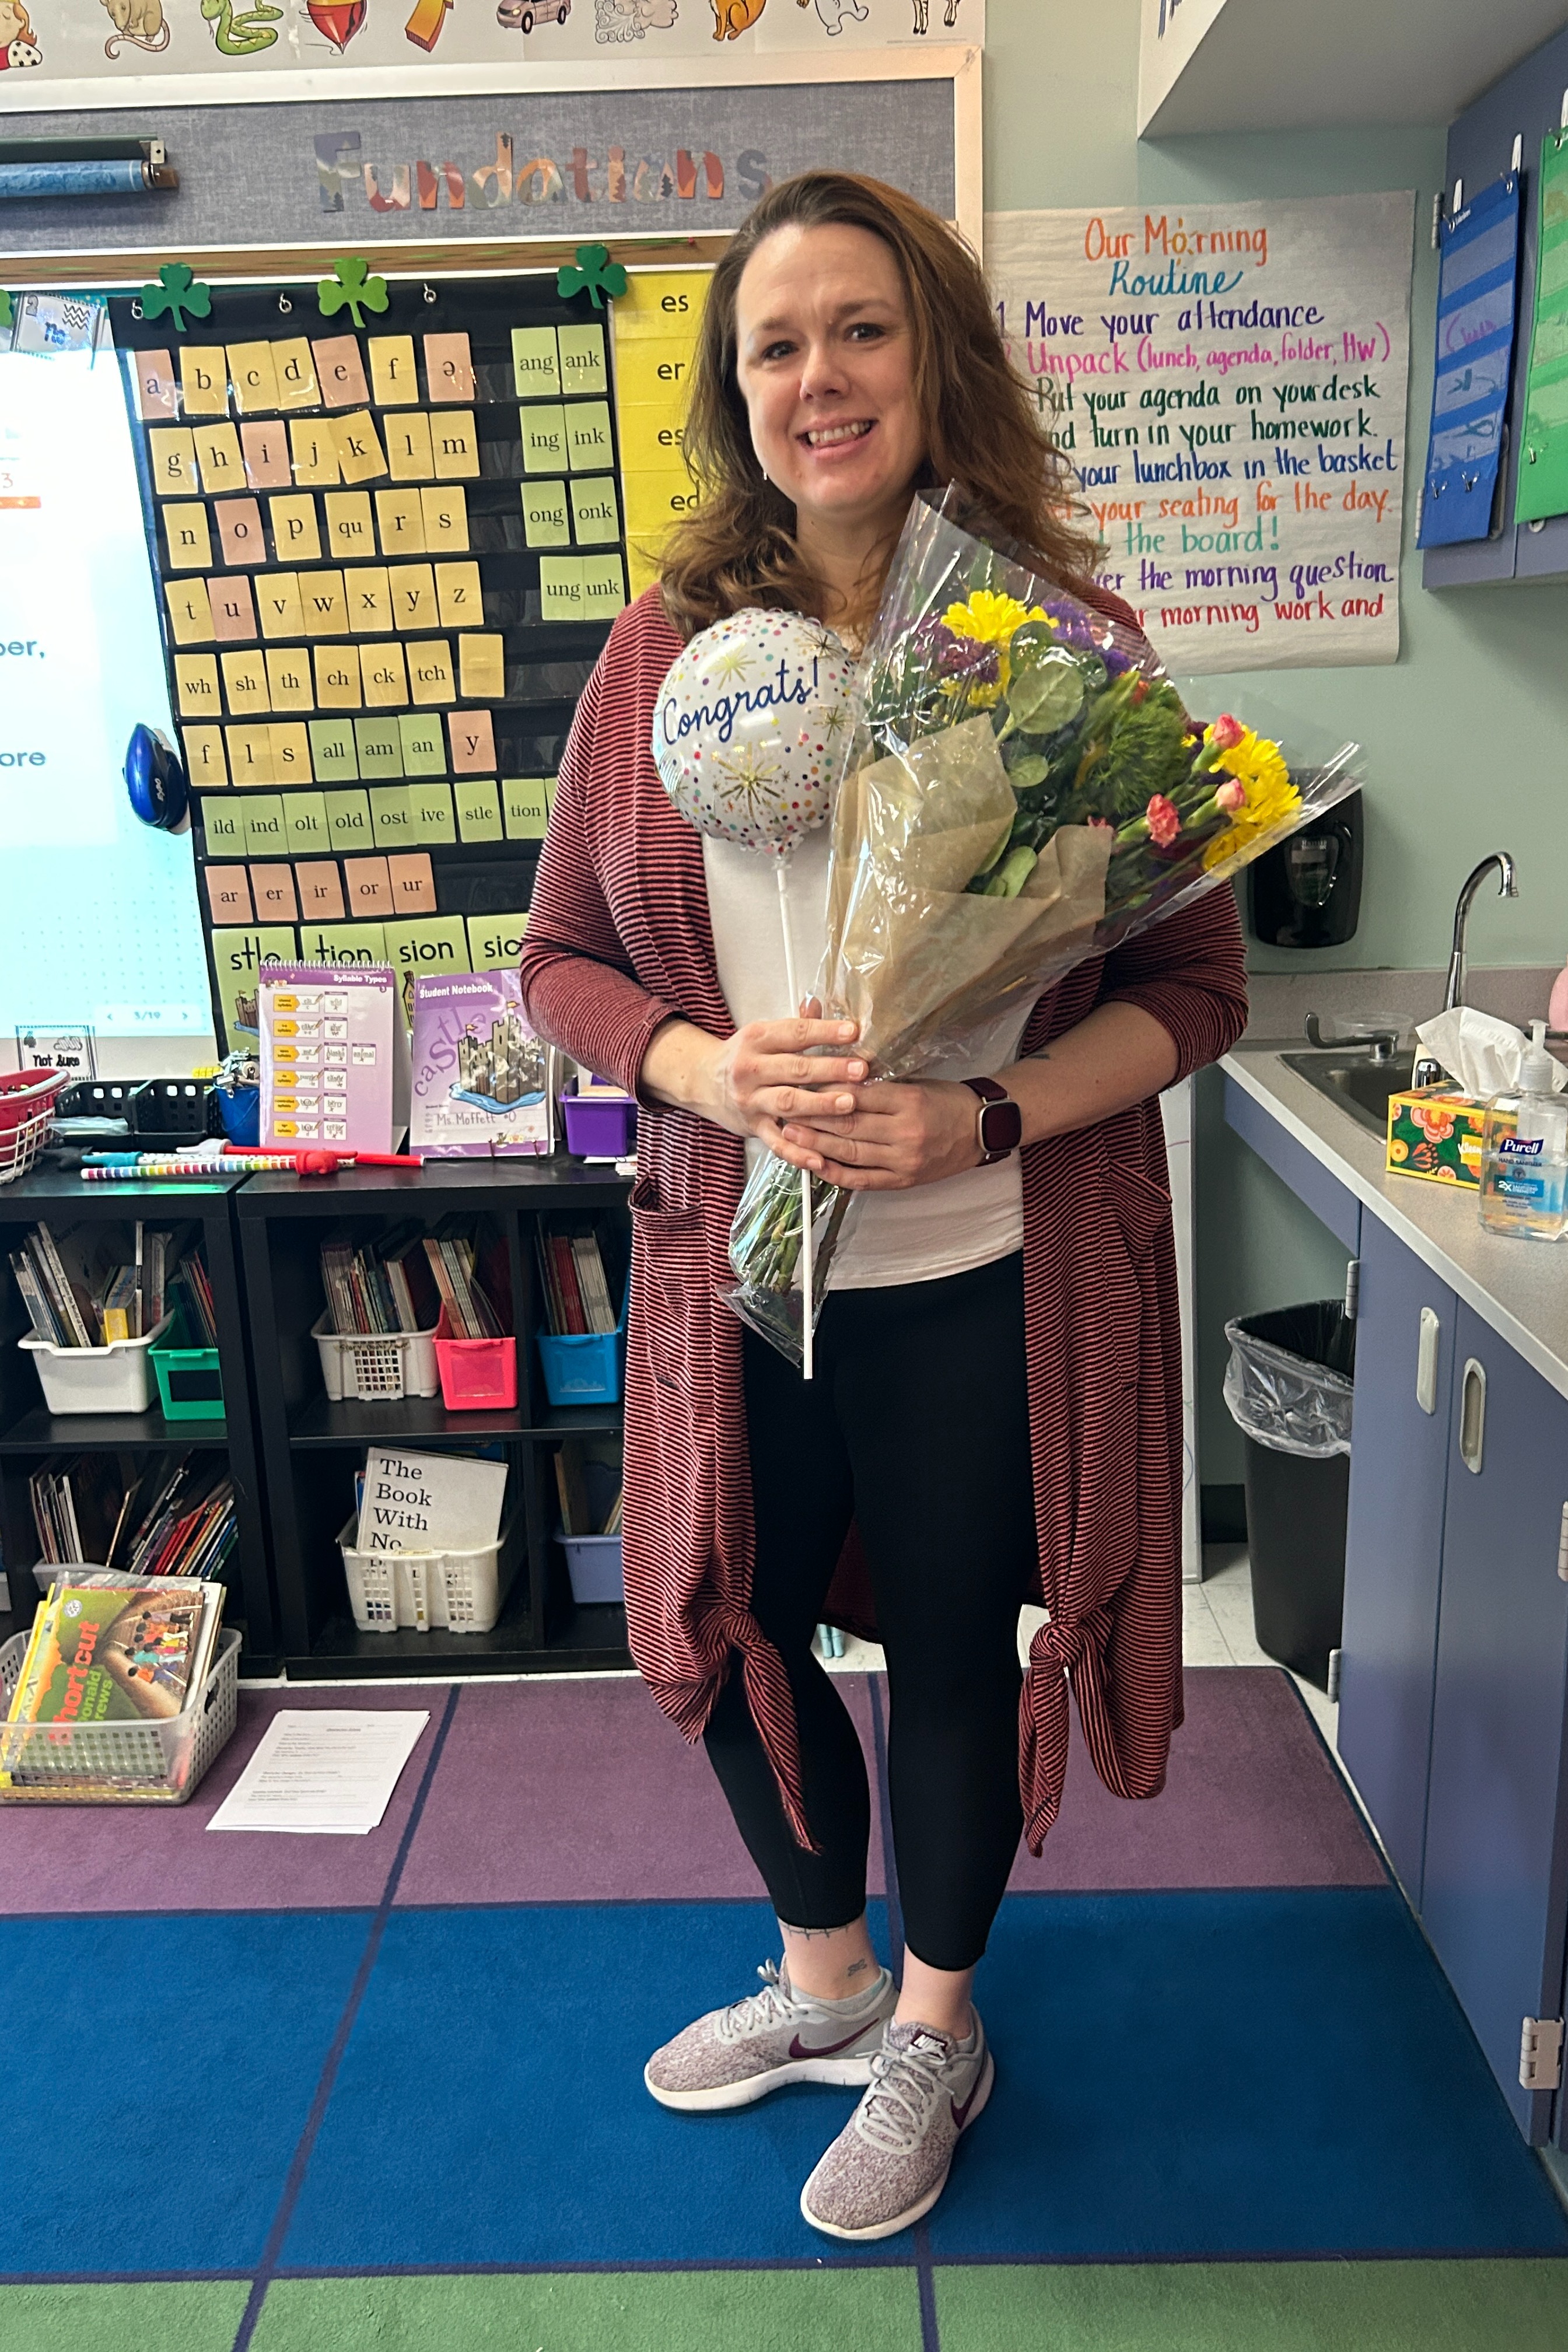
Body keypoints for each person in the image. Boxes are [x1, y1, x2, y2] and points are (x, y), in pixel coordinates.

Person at [519, 170, 1247, 2242]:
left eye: (859, 330)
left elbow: (1198, 993)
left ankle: (937, 2023)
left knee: (943, 1641)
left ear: (934, 356)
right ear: (733, 392)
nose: (817, 377)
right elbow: (562, 955)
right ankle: (822, 1977)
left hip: (978, 1268)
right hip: (728, 1267)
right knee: (718, 1607)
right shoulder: (664, 658)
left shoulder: (1066, 655)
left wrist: (990, 1118)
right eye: (774, 343)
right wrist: (700, 1067)